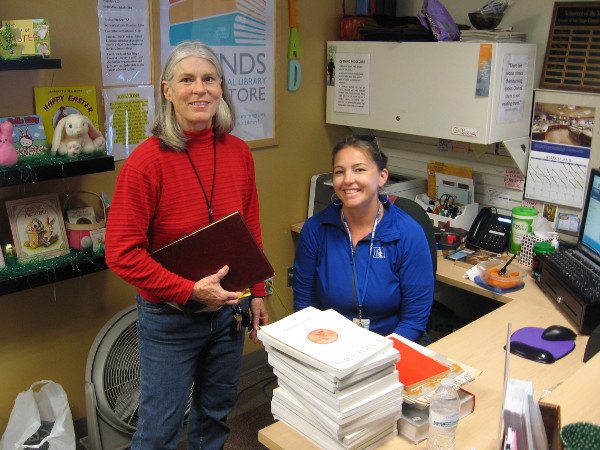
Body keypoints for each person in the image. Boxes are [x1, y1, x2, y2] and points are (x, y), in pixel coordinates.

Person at [105, 41, 269, 450]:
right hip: (171, 318)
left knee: (215, 418)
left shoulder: (239, 153)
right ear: (166, 91)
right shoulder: (145, 163)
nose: (200, 89)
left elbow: (248, 227)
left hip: (230, 309)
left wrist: (259, 292)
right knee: (159, 429)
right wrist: (189, 290)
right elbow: (121, 254)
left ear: (221, 88)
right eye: (187, 80)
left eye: (209, 79)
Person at [293, 134, 434, 342]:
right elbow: (305, 305)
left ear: (382, 176)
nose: (348, 179)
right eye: (340, 172)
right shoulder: (315, 229)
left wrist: (375, 357)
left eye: (359, 169)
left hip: (391, 342)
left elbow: (414, 320)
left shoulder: (408, 233)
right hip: (330, 342)